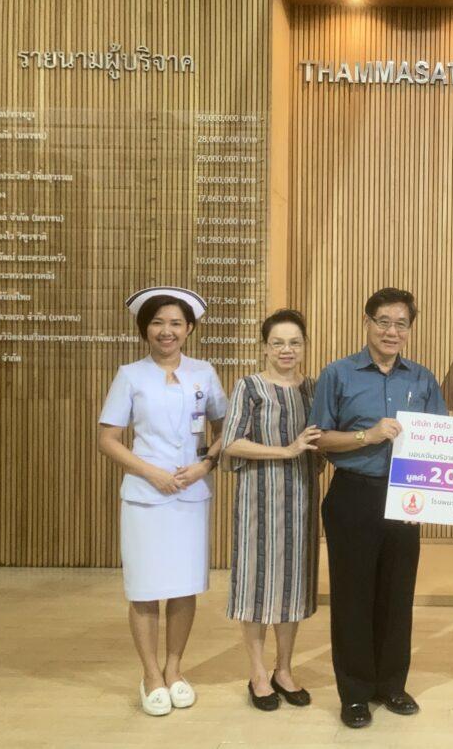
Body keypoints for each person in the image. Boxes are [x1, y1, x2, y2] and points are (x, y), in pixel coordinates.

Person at [309, 287, 448, 729]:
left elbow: (440, 442)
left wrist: (429, 496)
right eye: (383, 321)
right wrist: (365, 436)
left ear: (410, 329)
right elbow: (318, 438)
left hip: (405, 498)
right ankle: (354, 693)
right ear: (367, 322)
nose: (391, 331)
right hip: (353, 494)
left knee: (397, 595)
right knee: (352, 597)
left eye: (400, 324)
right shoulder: (338, 374)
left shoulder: (422, 379)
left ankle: (391, 685)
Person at [97, 287, 228, 717]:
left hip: (190, 495)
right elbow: (107, 439)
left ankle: (174, 669)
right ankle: (150, 674)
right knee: (146, 588)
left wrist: (205, 465)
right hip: (145, 497)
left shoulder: (204, 373)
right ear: (145, 329)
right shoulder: (130, 375)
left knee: (184, 587)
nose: (166, 331)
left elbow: (226, 428)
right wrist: (150, 471)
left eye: (175, 323)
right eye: (157, 323)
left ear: (189, 329)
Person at [220, 309, 324, 711]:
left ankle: (284, 669)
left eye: (294, 342)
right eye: (278, 342)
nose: (286, 350)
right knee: (256, 583)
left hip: (301, 499)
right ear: (264, 347)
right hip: (258, 501)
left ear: (304, 346)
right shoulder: (249, 387)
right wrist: (286, 450)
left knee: (292, 585)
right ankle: (258, 673)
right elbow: (231, 442)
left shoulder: (313, 389)